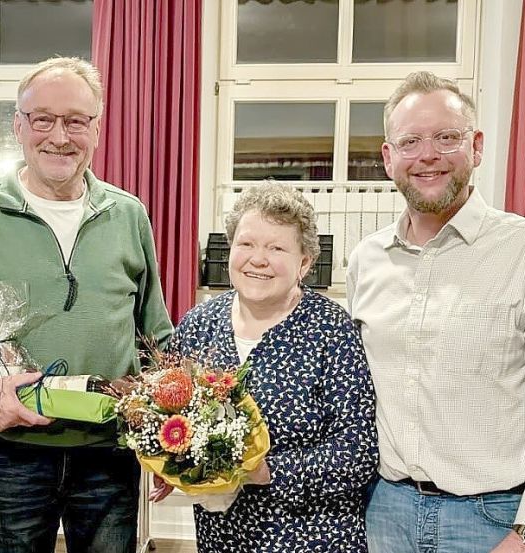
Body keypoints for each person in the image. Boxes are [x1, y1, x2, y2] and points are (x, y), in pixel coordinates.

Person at [0, 56, 174, 553]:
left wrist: (166, 434)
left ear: (97, 130)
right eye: (43, 119)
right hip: (11, 456)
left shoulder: (128, 215)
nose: (60, 136)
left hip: (110, 454)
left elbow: (154, 335)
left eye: (76, 121)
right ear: (19, 125)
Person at [346, 71, 525, 553]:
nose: (428, 155)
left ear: (476, 146)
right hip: (385, 513)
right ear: (388, 158)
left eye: (447, 137)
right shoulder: (367, 260)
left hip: (493, 519)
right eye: (410, 141)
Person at [154, 182, 378, 552]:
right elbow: (166, 412)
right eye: (247, 244)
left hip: (312, 537)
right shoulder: (198, 325)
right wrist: (168, 458)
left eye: (276, 248)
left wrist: (264, 469)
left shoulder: (332, 330)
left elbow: (357, 453)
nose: (258, 259)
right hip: (221, 537)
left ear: (304, 262)